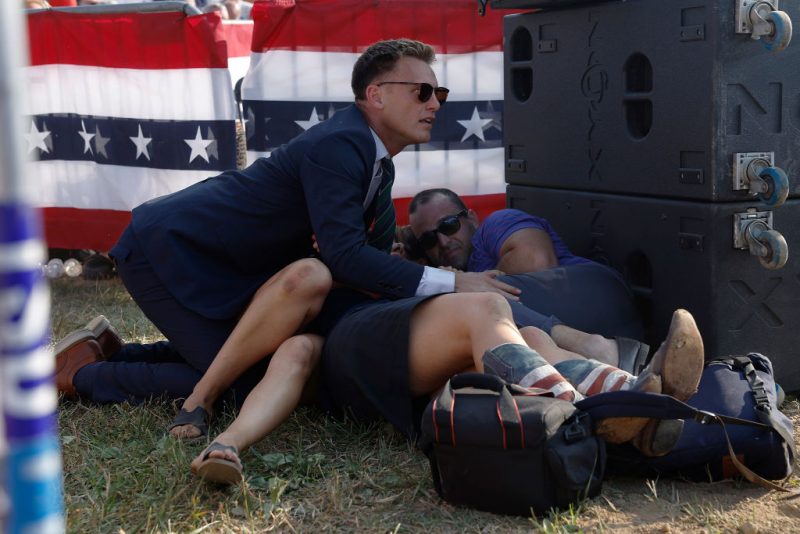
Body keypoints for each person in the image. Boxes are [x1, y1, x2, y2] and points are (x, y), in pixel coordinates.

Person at [53, 39, 519, 437]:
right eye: (422, 91)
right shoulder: (343, 144)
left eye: (438, 91)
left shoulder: (374, 158)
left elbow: (366, 264)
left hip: (221, 263)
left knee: (253, 357)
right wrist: (453, 284)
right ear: (375, 95)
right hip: (169, 251)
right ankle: (84, 376)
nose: (435, 103)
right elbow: (346, 257)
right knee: (244, 382)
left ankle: (117, 350)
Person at [191, 297, 703, 485]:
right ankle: (594, 409)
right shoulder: (304, 337)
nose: (434, 101)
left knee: (531, 337)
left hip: (415, 363)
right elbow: (286, 367)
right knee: (481, 309)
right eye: (423, 91)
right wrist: (228, 441)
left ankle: (632, 400)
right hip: (354, 350)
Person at [406, 188, 649, 371]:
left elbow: (535, 259)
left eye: (448, 225)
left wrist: (467, 283)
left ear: (471, 218)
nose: (443, 242)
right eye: (428, 240)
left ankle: (600, 350)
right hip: (584, 325)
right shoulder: (456, 274)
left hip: (594, 293)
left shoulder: (495, 223)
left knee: (467, 305)